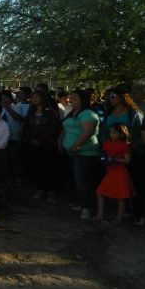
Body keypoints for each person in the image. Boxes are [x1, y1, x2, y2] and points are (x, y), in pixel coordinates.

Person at [58, 89, 102, 221]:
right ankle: (83, 203)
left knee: (82, 180)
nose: (71, 100)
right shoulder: (72, 113)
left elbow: (88, 132)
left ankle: (87, 207)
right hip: (72, 152)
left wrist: (76, 145)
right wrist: (60, 141)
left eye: (74, 98)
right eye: (70, 98)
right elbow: (65, 128)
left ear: (83, 100)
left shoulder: (88, 114)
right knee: (78, 180)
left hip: (85, 153)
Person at [93, 123, 136, 226]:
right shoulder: (107, 143)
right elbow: (103, 155)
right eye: (110, 132)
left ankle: (118, 219)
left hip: (120, 173)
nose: (111, 134)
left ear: (121, 134)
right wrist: (104, 158)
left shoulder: (125, 145)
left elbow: (127, 160)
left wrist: (114, 159)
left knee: (120, 197)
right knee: (99, 192)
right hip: (111, 172)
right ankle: (99, 216)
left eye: (114, 133)